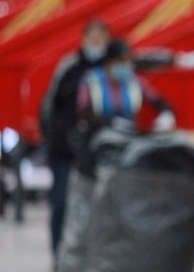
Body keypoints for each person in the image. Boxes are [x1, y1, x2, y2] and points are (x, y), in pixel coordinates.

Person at [40, 19, 111, 257]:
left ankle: (86, 260)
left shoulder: (110, 69)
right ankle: (58, 256)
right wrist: (54, 137)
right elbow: (49, 105)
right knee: (61, 202)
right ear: (84, 40)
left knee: (97, 207)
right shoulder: (69, 67)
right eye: (92, 39)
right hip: (64, 149)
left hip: (96, 150)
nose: (95, 44)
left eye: (100, 40)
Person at [76, 38, 176, 177]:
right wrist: (111, 122)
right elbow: (84, 111)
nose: (126, 65)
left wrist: (166, 114)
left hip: (125, 140)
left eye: (129, 61)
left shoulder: (132, 80)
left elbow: (156, 99)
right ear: (109, 62)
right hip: (97, 141)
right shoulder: (92, 80)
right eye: (122, 61)